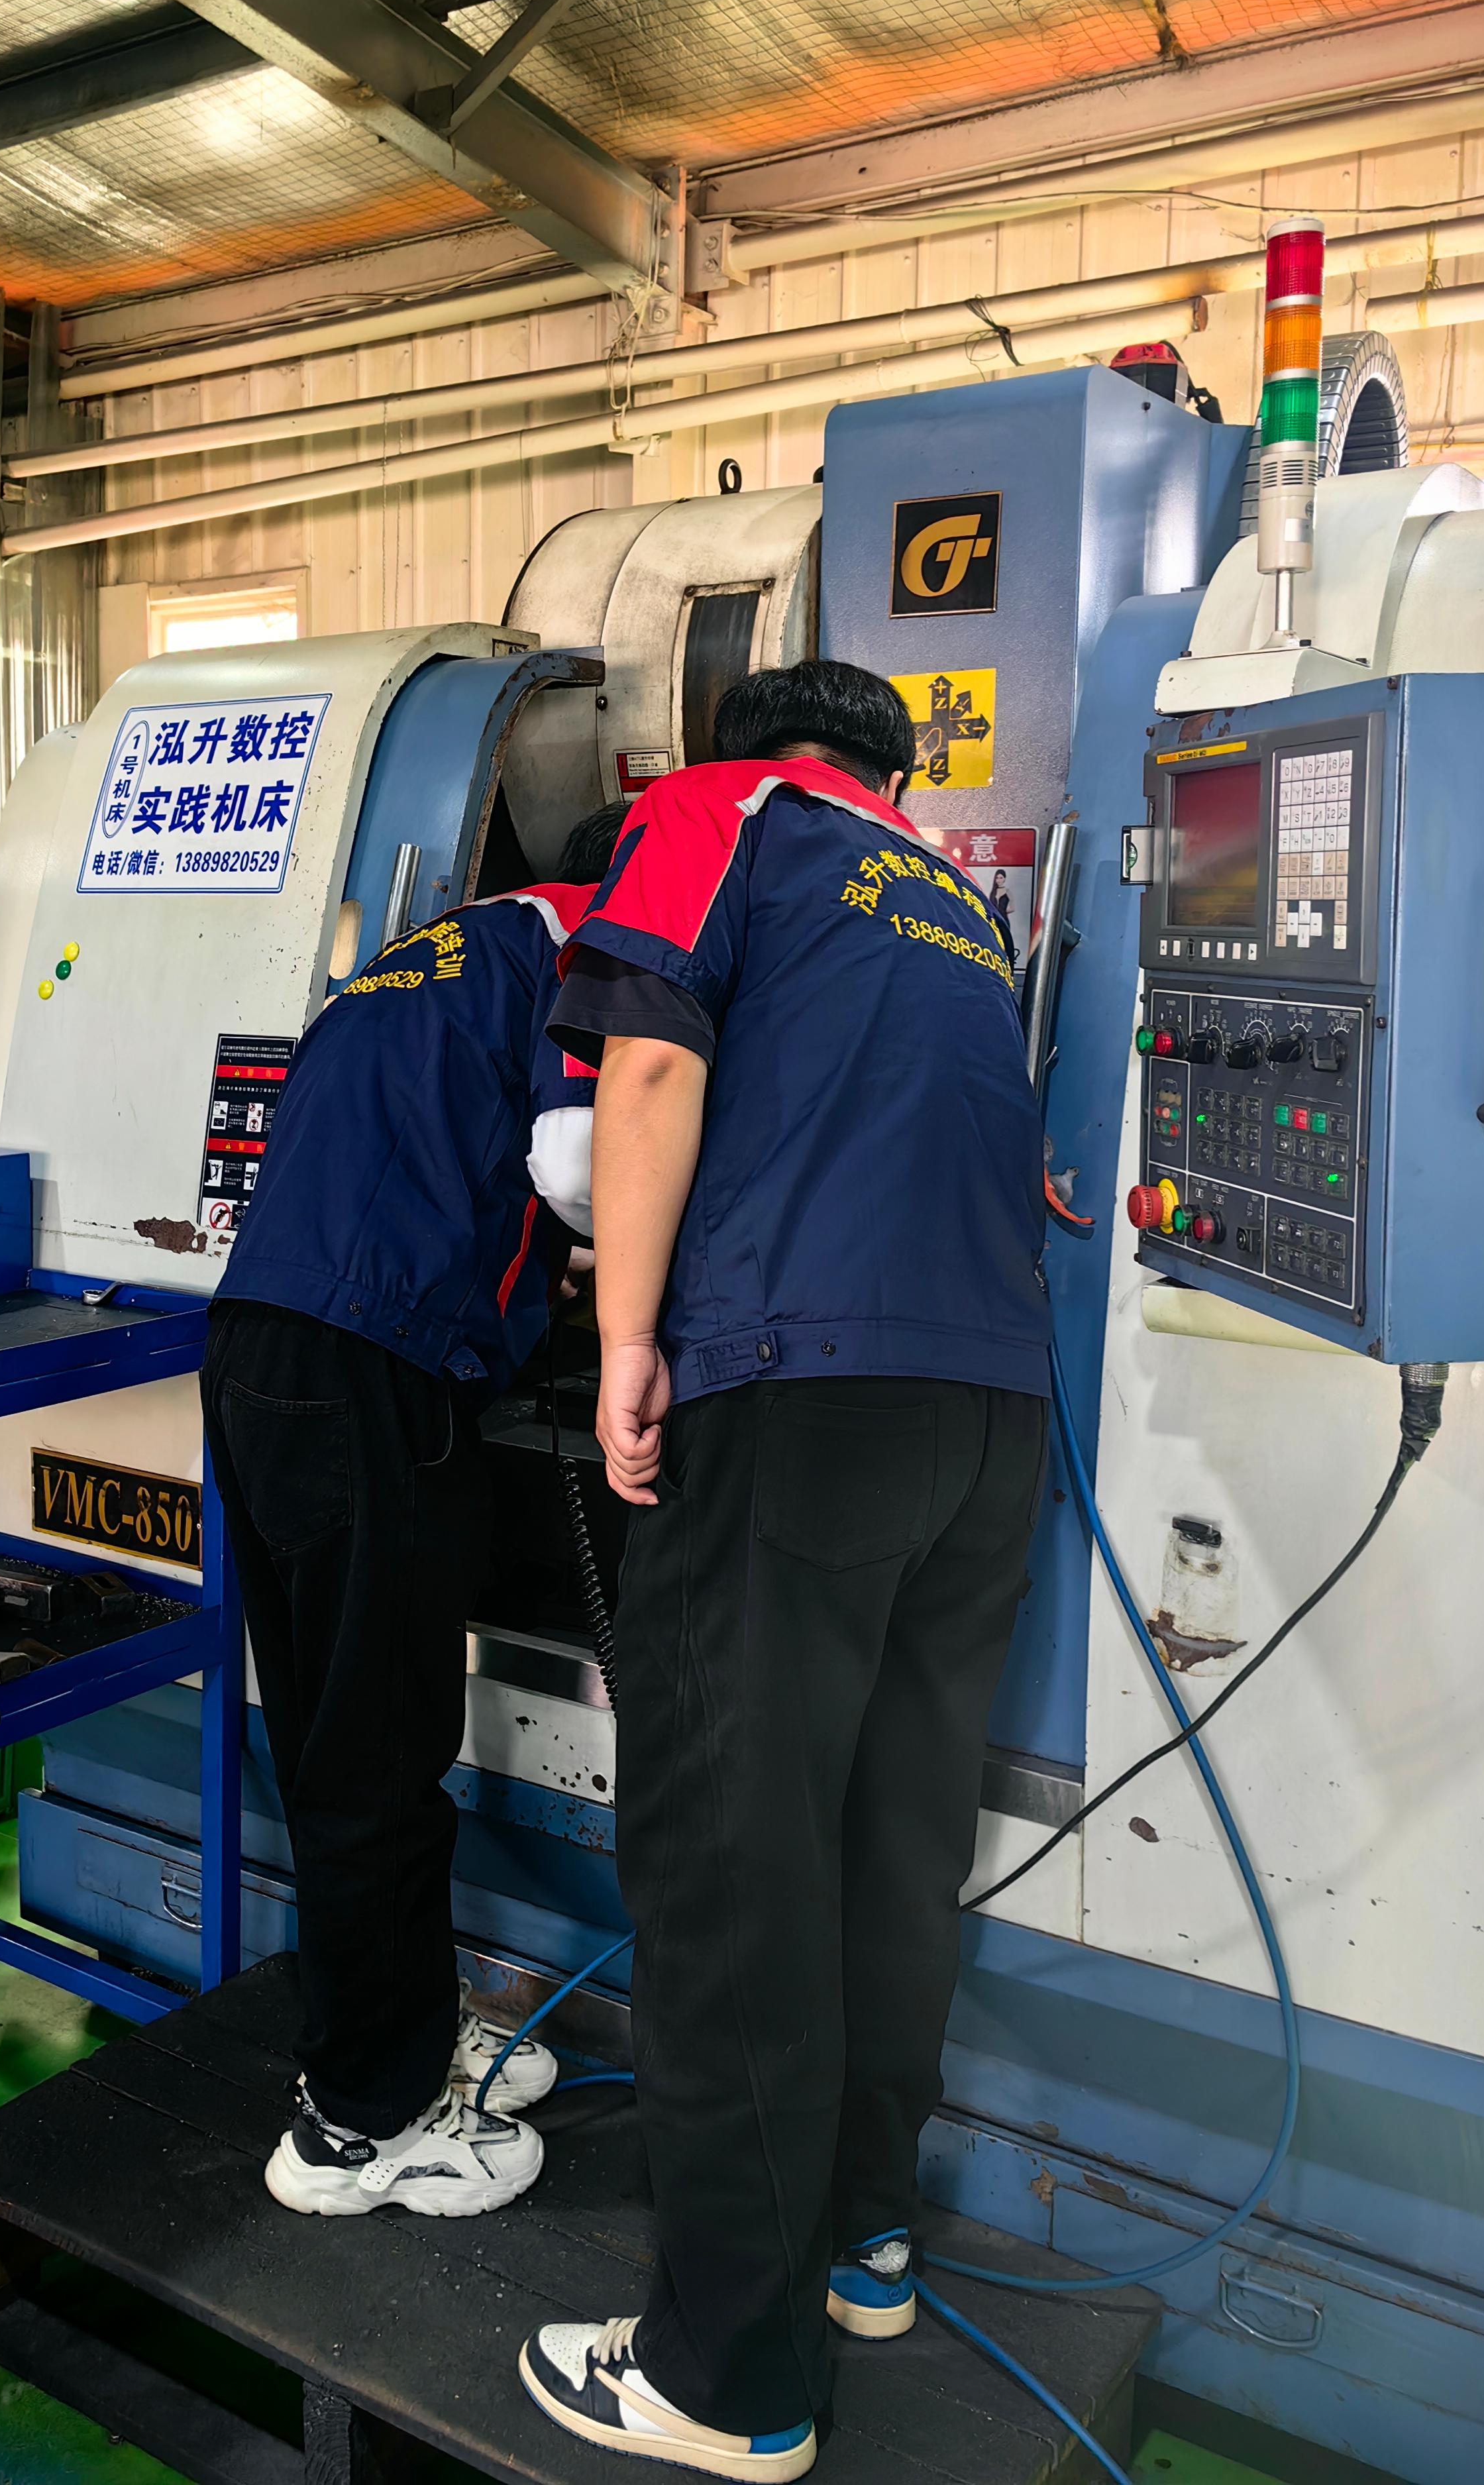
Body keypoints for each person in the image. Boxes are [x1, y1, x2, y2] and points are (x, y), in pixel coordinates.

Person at [515, 665, 1049, 2478]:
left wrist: (624, 1344)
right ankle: (862, 2242)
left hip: (798, 1396)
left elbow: (651, 1063)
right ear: (898, 774)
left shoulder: (721, 813)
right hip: (987, 1420)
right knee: (894, 1845)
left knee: (733, 1868)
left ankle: (726, 2377)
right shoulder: (959, 904)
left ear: (748, 749)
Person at [200, 799, 632, 2221]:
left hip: (263, 1349)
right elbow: (583, 1167)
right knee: (379, 1751)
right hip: (368, 1372)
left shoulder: (428, 948)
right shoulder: (588, 949)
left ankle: (396, 2029)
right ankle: (362, 2121)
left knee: (338, 1735)